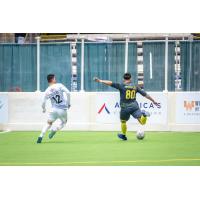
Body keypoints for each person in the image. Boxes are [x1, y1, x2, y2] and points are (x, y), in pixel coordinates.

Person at [94, 72, 159, 140]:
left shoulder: (121, 85)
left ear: (123, 79)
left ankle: (123, 135)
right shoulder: (135, 86)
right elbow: (145, 94)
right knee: (142, 122)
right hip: (134, 106)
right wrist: (153, 101)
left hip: (125, 107)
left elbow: (110, 83)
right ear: (130, 78)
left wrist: (100, 80)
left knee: (123, 121)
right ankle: (144, 116)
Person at [37, 74, 71, 143]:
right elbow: (68, 92)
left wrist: (44, 109)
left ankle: (41, 135)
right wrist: (68, 103)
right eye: (54, 78)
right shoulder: (59, 85)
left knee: (49, 123)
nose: (55, 79)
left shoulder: (47, 91)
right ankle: (54, 130)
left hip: (53, 110)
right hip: (62, 109)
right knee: (64, 122)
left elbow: (43, 102)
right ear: (52, 79)